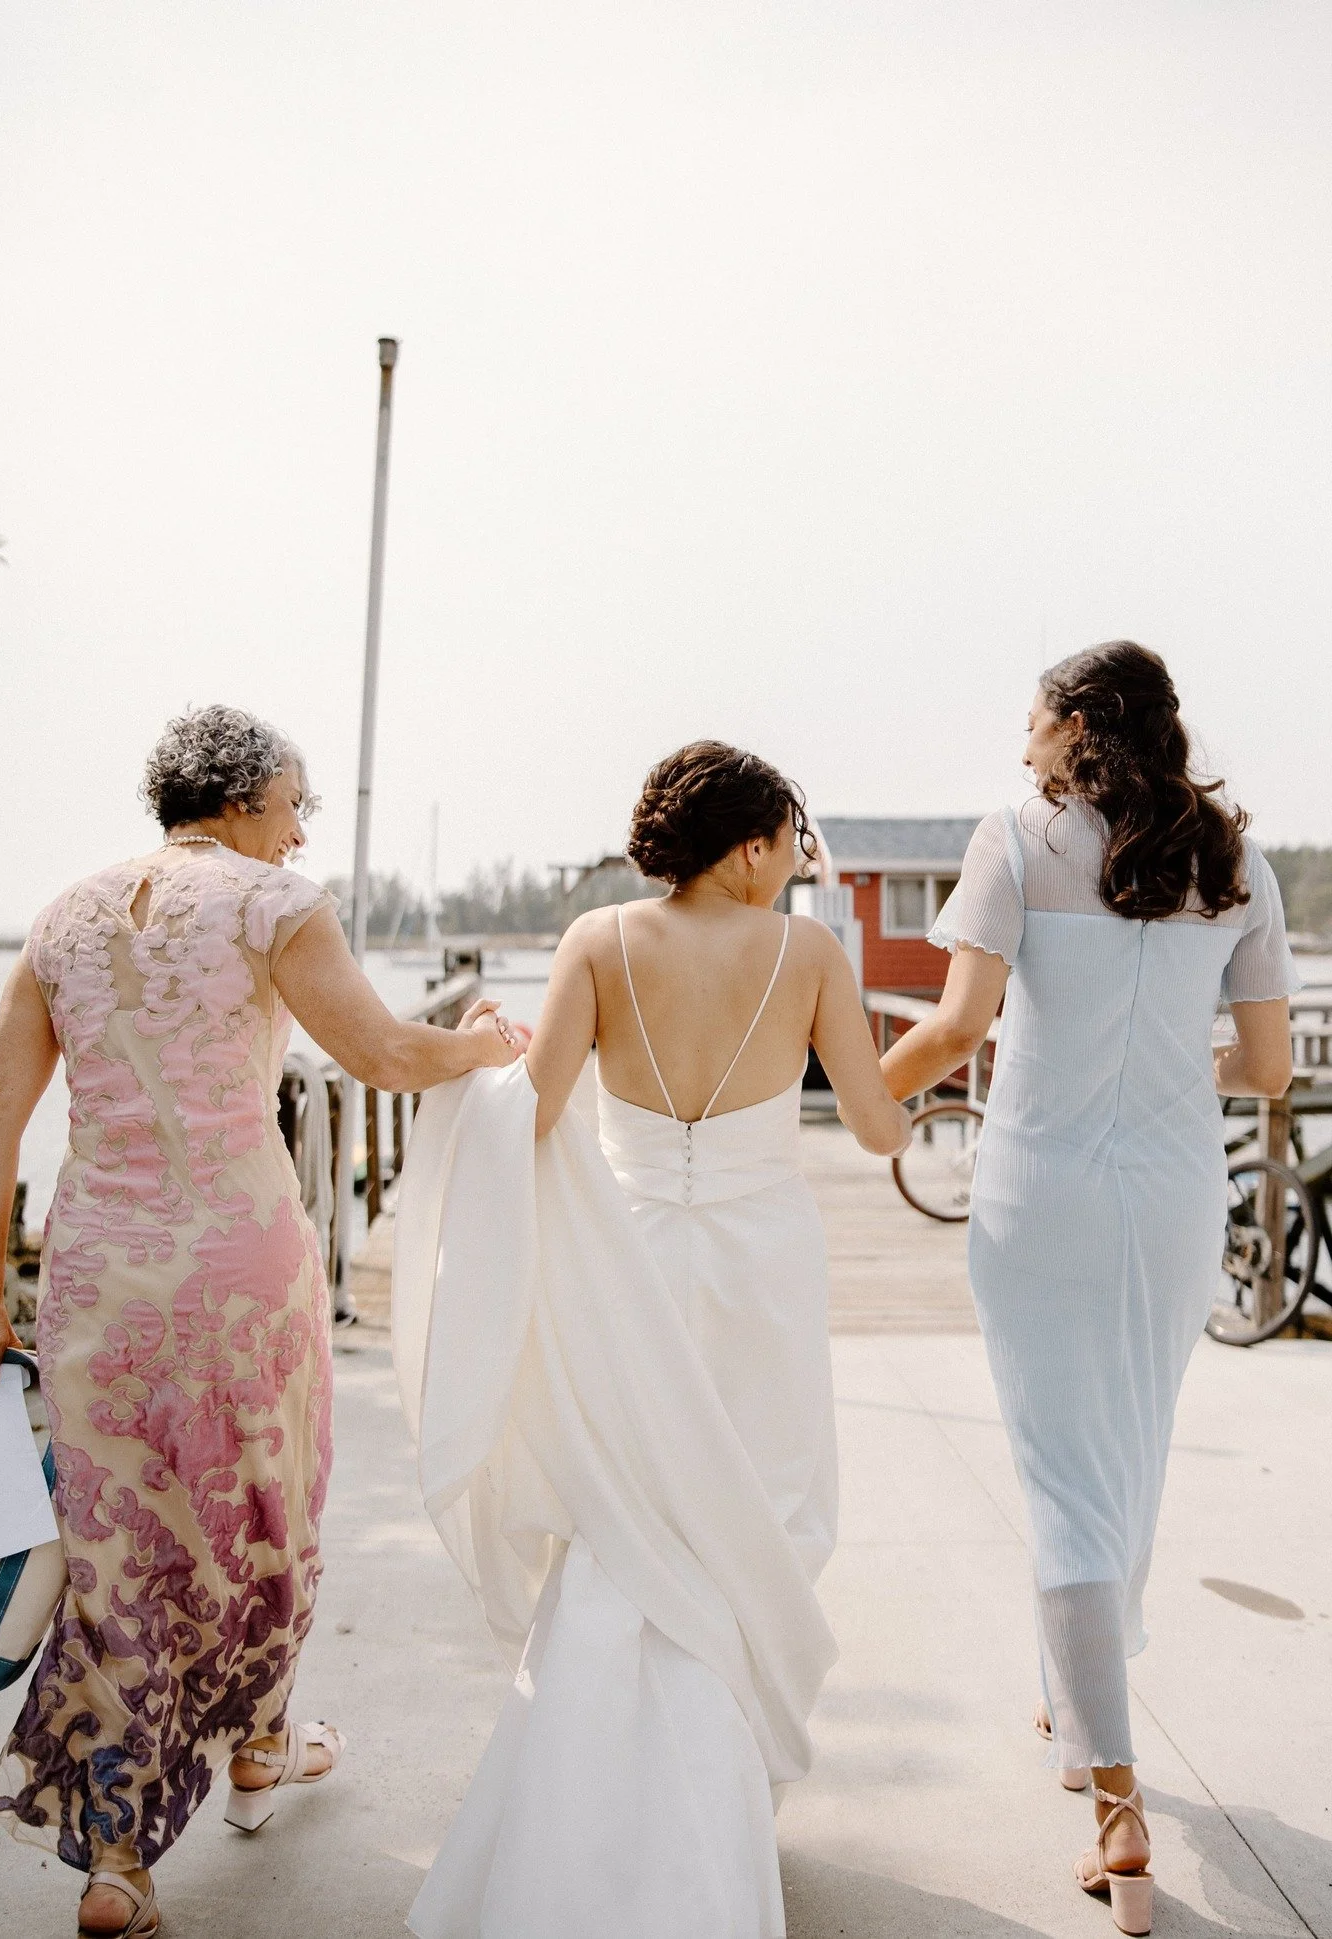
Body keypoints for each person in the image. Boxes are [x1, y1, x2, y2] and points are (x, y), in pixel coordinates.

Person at [0, 704, 518, 1939]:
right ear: (247, 800)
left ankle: (119, 1861)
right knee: (261, 1505)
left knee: (116, 1541)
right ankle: (258, 1745)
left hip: (99, 1266)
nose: (304, 824)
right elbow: (377, 1052)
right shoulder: (278, 903)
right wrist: (478, 1048)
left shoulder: (61, 915)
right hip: (239, 1263)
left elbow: (0, 1099)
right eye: (296, 800)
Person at [392, 740, 911, 1939]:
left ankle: (584, 1821)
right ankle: (718, 1804)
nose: (797, 864)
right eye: (794, 842)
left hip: (630, 1271)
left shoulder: (597, 941)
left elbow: (538, 1112)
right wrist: (936, 1060)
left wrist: (481, 1050)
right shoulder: (813, 954)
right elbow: (880, 1128)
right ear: (749, 846)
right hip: (761, 1273)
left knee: (626, 1526)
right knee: (755, 1520)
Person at [881, 644, 1295, 1936]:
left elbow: (955, 1030)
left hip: (1041, 1191)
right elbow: (1274, 1068)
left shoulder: (1014, 837)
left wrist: (861, 1098)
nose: (1020, 738)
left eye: (1032, 713)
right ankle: (1080, 1705)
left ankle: (1115, 1803)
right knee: (1128, 1457)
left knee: (1064, 1482)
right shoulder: (1234, 860)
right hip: (1175, 1202)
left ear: (1074, 725)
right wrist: (1175, 1046)